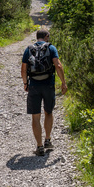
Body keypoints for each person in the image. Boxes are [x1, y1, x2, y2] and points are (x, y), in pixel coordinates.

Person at [21, 28, 67, 156]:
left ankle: (39, 146)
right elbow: (58, 65)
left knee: (35, 116)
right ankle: (47, 139)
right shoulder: (51, 48)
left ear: (37, 37)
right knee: (48, 112)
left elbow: (23, 70)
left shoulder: (29, 49)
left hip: (34, 85)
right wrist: (63, 82)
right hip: (48, 84)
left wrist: (26, 83)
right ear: (46, 36)